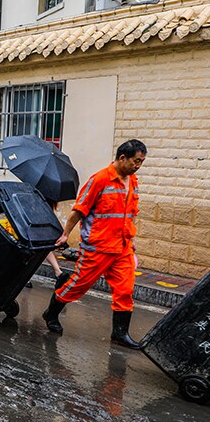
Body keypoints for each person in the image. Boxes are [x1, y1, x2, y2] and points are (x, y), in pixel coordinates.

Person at [42, 139, 148, 349]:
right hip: (98, 247)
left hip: (122, 247)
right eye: (136, 161)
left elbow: (130, 213)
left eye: (141, 162)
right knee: (78, 285)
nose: (138, 166)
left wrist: (132, 238)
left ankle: (120, 334)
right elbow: (78, 210)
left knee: (125, 289)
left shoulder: (133, 181)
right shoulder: (99, 180)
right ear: (122, 158)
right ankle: (51, 313)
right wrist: (65, 234)